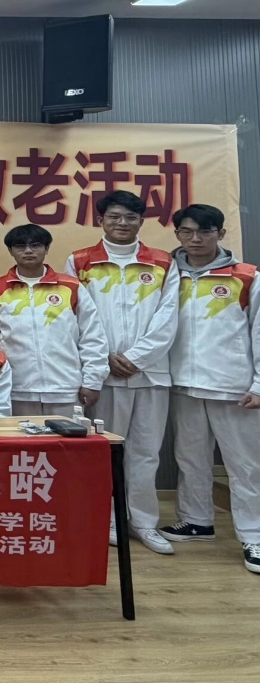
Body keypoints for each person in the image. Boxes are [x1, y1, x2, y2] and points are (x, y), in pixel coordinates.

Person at [65, 190, 179, 555]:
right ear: (101, 220)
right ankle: (110, 518)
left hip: (151, 374)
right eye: (114, 216)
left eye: (130, 217)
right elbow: (78, 317)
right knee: (105, 451)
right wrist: (102, 360)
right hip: (104, 375)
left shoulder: (162, 261)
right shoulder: (80, 261)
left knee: (146, 452)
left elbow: (168, 316)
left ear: (141, 221)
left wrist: (136, 358)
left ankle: (144, 521)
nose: (122, 223)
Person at [157, 204, 260, 574]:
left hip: (233, 387)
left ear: (221, 233)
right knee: (189, 458)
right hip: (182, 383)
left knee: (245, 466)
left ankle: (255, 535)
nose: (195, 239)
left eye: (205, 231)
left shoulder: (246, 276)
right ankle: (197, 521)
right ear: (177, 234)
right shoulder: (166, 274)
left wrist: (259, 384)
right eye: (186, 232)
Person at [0, 224, 108, 417]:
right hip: (16, 389)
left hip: (66, 389)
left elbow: (92, 336)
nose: (28, 251)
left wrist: (92, 381)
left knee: (67, 438)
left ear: (47, 248)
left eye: (35, 245)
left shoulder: (71, 286)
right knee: (20, 438)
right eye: (20, 246)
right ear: (10, 251)